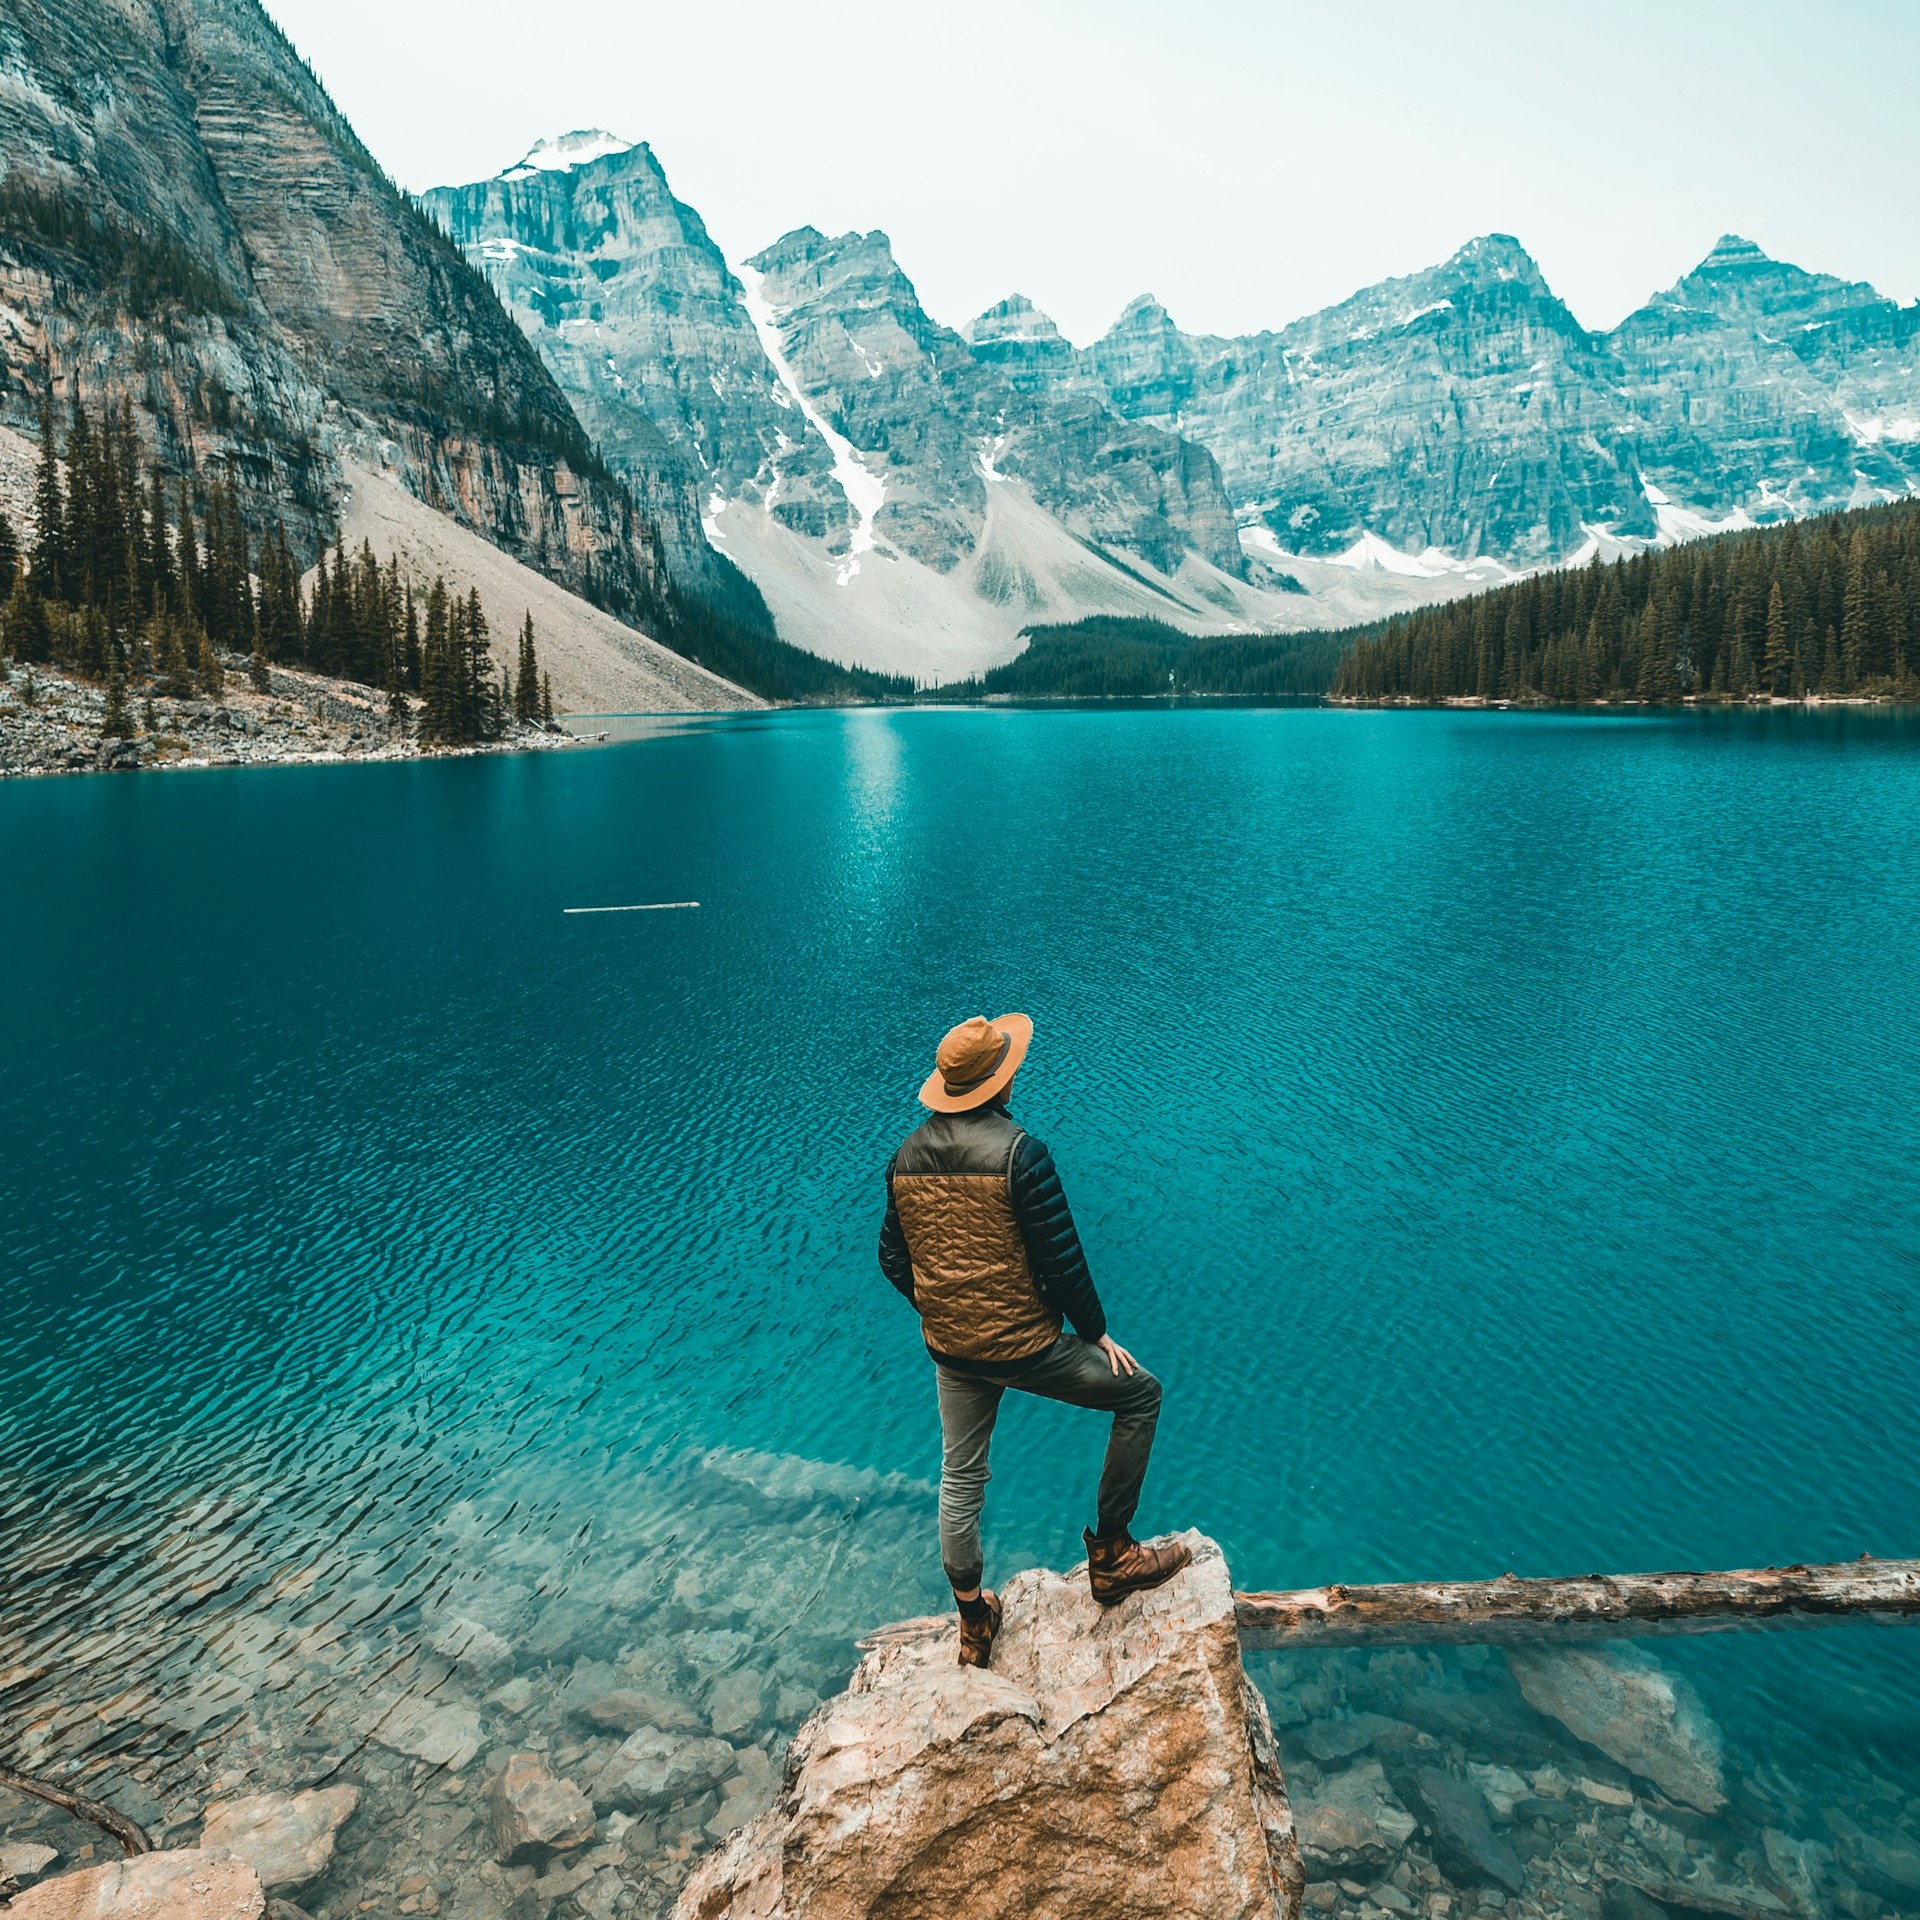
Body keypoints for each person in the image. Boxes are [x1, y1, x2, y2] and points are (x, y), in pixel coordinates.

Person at [878, 1012, 1190, 1668]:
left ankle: (972, 1620)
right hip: (1027, 1348)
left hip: (953, 1350)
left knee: (960, 1474)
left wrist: (941, 1308)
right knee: (1140, 1396)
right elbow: (1061, 1261)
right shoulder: (1021, 1152)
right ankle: (1112, 1556)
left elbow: (891, 1258)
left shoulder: (904, 1157)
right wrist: (1096, 1333)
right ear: (999, 1081)